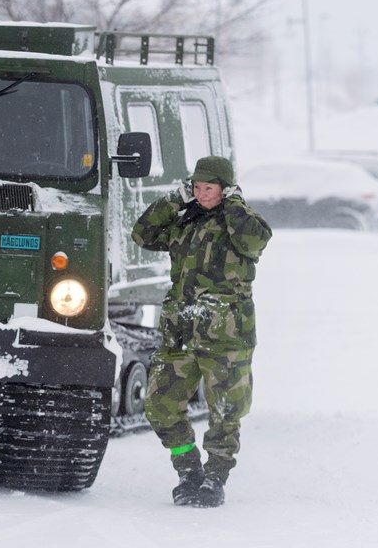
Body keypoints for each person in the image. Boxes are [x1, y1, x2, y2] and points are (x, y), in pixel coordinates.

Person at [131, 155, 272, 508]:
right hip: (180, 333)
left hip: (226, 335)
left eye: (209, 187)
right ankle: (189, 470)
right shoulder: (185, 223)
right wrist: (174, 201)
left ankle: (216, 477)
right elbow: (142, 234)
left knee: (226, 411)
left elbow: (255, 241)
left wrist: (234, 203)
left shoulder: (242, 223)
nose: (202, 193)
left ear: (225, 189)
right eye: (197, 187)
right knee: (160, 406)